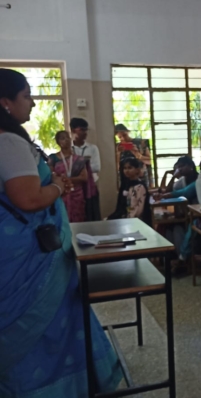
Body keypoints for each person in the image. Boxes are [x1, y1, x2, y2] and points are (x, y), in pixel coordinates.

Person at [0, 68, 121, 396]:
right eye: (26, 96)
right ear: (5, 102)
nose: (33, 103)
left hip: (17, 250)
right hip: (31, 258)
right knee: (46, 323)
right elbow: (28, 199)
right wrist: (56, 185)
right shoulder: (8, 141)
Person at [48, 131, 88, 223]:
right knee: (62, 219)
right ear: (58, 142)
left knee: (79, 220)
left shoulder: (79, 159)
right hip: (61, 193)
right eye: (62, 138)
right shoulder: (53, 158)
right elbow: (50, 176)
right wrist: (66, 181)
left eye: (67, 137)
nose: (66, 140)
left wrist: (65, 180)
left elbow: (84, 177)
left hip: (77, 194)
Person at [70, 117, 101, 221]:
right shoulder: (69, 149)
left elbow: (97, 167)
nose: (85, 133)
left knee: (92, 214)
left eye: (86, 130)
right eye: (82, 130)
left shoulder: (92, 148)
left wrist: (78, 168)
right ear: (73, 130)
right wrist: (85, 166)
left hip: (91, 186)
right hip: (75, 187)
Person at [108, 157, 151, 225]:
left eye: (130, 168)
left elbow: (139, 210)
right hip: (126, 217)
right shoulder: (125, 185)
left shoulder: (140, 186)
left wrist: (127, 219)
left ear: (137, 170)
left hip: (137, 221)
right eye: (125, 168)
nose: (126, 171)